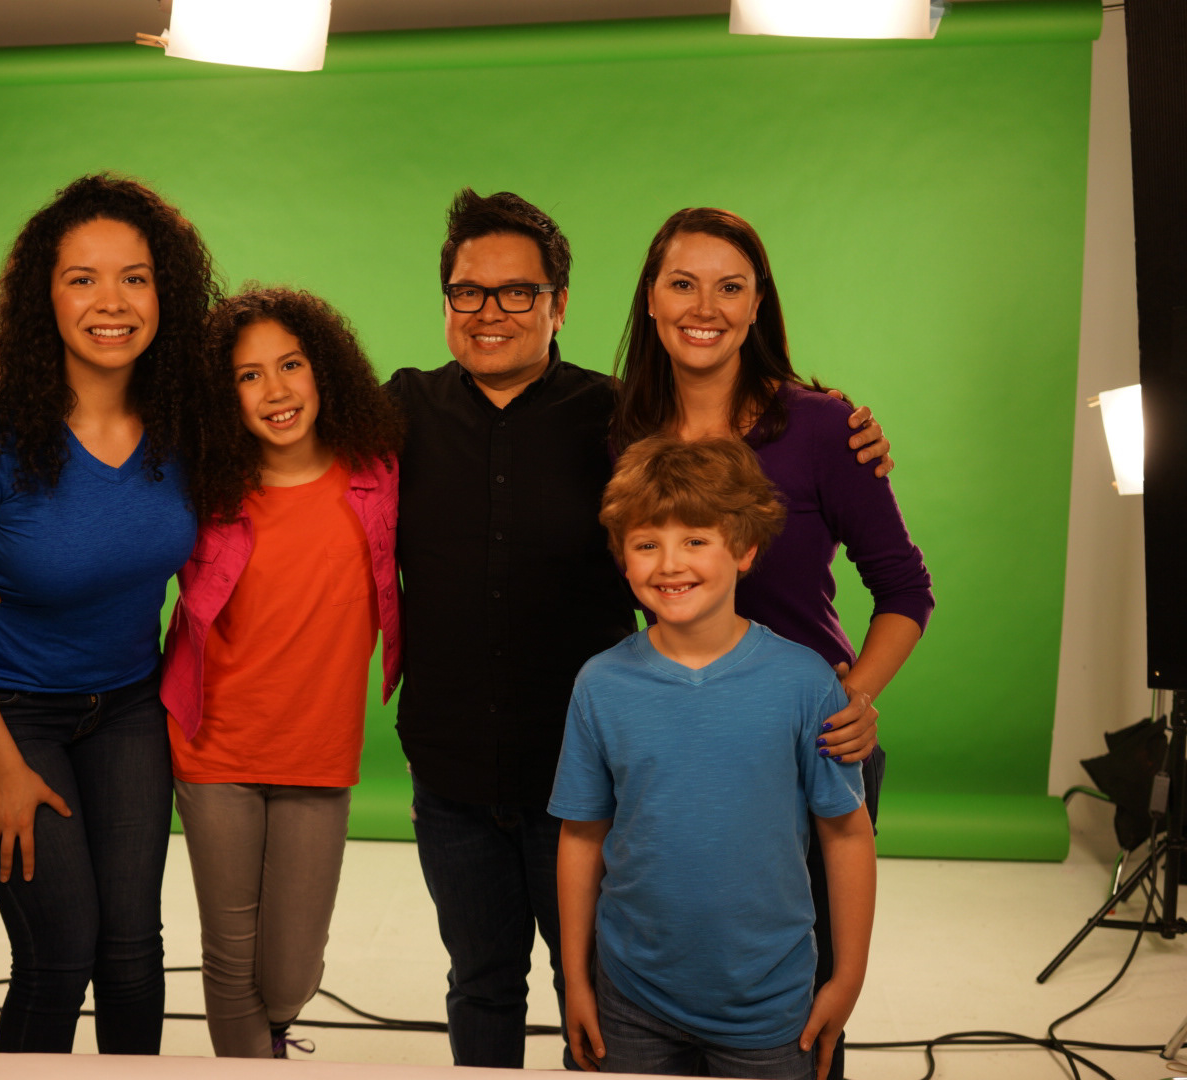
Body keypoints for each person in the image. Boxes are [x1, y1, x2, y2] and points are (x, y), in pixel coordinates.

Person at [385, 189, 892, 1069]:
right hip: (477, 762)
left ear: (559, 305)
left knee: (699, 980)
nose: (491, 310)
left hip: (681, 747)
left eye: (518, 292)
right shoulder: (408, 411)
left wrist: (841, 424)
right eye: (469, 292)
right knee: (490, 982)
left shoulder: (619, 417)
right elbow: (292, 418)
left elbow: (745, 469)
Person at [610, 207, 933, 1078]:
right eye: (682, 283)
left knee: (805, 1005)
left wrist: (855, 697)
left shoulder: (825, 428)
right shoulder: (620, 432)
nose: (704, 306)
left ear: (758, 305)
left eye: (730, 287)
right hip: (677, 741)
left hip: (808, 743)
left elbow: (905, 589)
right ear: (650, 299)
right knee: (679, 963)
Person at [0, 173, 220, 1053]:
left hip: (127, 707)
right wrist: (4, 767)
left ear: (165, 294)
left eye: (135, 277)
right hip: (8, 711)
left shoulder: (186, 425)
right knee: (60, 952)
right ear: (42, 298)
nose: (111, 302)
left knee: (132, 954)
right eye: (82, 278)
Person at [553, 435, 876, 1080]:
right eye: (647, 544)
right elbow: (582, 835)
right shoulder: (599, 685)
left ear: (745, 548)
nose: (670, 563)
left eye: (695, 539)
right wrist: (576, 981)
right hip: (630, 1001)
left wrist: (847, 979)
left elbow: (845, 834)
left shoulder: (805, 682)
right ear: (622, 558)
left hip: (769, 1007)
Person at [161, 287, 405, 1059]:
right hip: (214, 747)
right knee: (230, 957)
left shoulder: (378, 475)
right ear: (222, 395)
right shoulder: (200, 488)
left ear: (323, 369)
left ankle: (273, 1035)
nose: (275, 390)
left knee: (289, 973)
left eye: (290, 365)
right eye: (248, 375)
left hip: (318, 750)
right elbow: (104, 537)